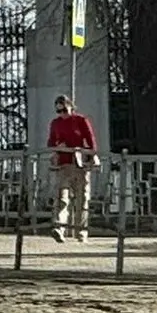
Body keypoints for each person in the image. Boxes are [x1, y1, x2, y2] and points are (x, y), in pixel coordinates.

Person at [47, 94, 99, 242]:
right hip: (64, 165)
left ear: (71, 107)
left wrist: (90, 155)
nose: (62, 114)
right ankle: (59, 228)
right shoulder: (55, 123)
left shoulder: (81, 120)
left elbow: (91, 141)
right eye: (58, 111)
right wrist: (58, 146)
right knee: (61, 198)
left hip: (81, 165)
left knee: (82, 199)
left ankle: (81, 232)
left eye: (64, 110)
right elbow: (50, 142)